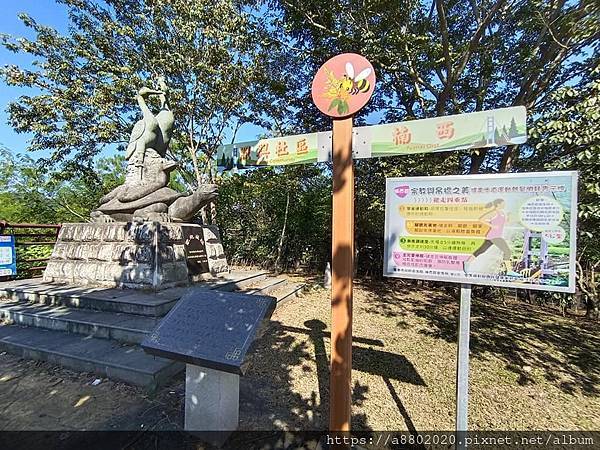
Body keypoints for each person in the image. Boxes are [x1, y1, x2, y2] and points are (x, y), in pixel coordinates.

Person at [464, 199, 513, 273]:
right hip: (494, 236)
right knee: (507, 251)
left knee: (481, 250)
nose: (504, 205)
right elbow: (481, 219)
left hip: (495, 236)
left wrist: (508, 217)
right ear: (498, 204)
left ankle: (467, 262)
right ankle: (509, 271)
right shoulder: (493, 213)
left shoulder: (502, 213)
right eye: (503, 203)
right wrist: (492, 225)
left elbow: (504, 223)